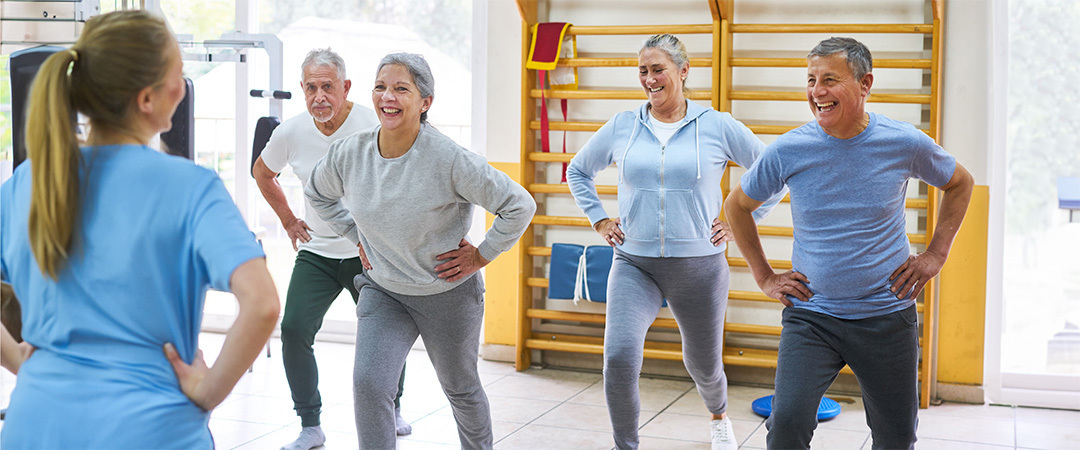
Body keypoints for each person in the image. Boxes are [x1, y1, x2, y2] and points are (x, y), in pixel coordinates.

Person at [0, 10, 280, 448]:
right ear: (147, 99)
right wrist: (208, 389)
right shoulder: (192, 187)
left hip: (35, 426)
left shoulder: (25, 182)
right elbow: (262, 304)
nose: (182, 89)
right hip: (151, 432)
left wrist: (19, 359)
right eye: (178, 76)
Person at [724, 37, 973, 449]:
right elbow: (737, 207)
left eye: (829, 80)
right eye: (811, 80)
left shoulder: (902, 142)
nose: (816, 92)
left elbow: (960, 183)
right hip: (813, 317)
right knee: (785, 426)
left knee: (896, 438)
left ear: (865, 83)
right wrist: (765, 277)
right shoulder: (790, 149)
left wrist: (935, 255)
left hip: (886, 316)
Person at [305, 52, 535, 449]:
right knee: (370, 384)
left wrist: (481, 255)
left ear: (425, 102)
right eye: (380, 87)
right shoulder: (351, 152)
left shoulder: (449, 158)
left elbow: (519, 204)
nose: (387, 97)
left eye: (400, 88)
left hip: (447, 294)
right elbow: (317, 193)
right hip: (384, 290)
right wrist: (356, 236)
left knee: (461, 389)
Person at [566, 34, 782, 450]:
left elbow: (769, 173)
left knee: (703, 365)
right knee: (619, 357)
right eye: (643, 71)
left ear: (683, 72)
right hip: (634, 264)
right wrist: (599, 220)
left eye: (658, 69)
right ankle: (625, 445)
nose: (649, 78)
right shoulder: (623, 125)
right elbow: (578, 171)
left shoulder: (716, 125)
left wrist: (741, 222)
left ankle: (718, 415)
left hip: (699, 268)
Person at [253, 48, 411, 450]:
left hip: (371, 251)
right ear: (301, 90)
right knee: (293, 329)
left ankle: (392, 408)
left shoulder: (372, 121)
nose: (319, 96)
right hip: (318, 252)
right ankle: (310, 423)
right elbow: (262, 171)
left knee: (388, 333)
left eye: (327, 87)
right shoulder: (290, 132)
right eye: (311, 88)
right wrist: (289, 219)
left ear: (345, 88)